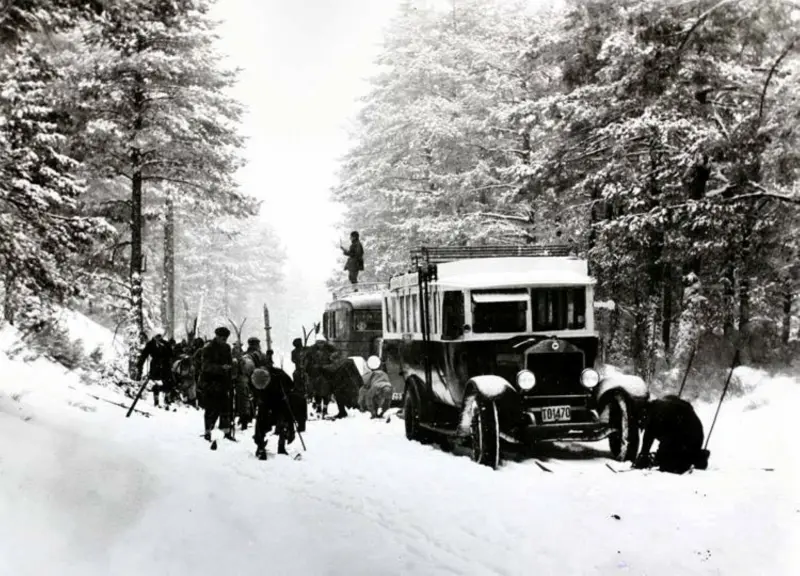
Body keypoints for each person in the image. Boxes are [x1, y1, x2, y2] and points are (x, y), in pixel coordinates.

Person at [634, 395, 710, 474]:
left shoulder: (659, 415)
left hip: (688, 438)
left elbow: (668, 439)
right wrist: (644, 455)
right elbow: (648, 438)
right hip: (691, 435)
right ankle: (695, 455)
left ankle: (697, 457)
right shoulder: (655, 410)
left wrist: (658, 457)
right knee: (667, 459)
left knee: (668, 467)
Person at [251, 366, 306, 460]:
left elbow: (291, 386)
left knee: (283, 420)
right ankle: (260, 446)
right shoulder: (255, 378)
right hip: (264, 400)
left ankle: (281, 446)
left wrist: (286, 391)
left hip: (280, 399)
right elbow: (255, 393)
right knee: (261, 419)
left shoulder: (279, 375)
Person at [201, 326, 235, 443]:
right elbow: (205, 366)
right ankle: (207, 432)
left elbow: (230, 362)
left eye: (225, 339)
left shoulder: (227, 347)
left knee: (226, 408)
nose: (224, 341)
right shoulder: (208, 348)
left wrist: (230, 372)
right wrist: (221, 368)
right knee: (211, 408)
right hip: (210, 382)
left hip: (224, 382)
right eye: (222, 338)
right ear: (217, 336)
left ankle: (227, 433)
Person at [136, 332, 175, 408]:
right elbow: (143, 356)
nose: (159, 338)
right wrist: (140, 368)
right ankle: (156, 401)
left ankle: (167, 399)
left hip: (165, 366)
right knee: (156, 383)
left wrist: (168, 354)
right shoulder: (150, 344)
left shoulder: (165, 343)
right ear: (154, 336)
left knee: (169, 382)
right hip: (155, 366)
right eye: (157, 336)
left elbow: (171, 354)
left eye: (160, 336)